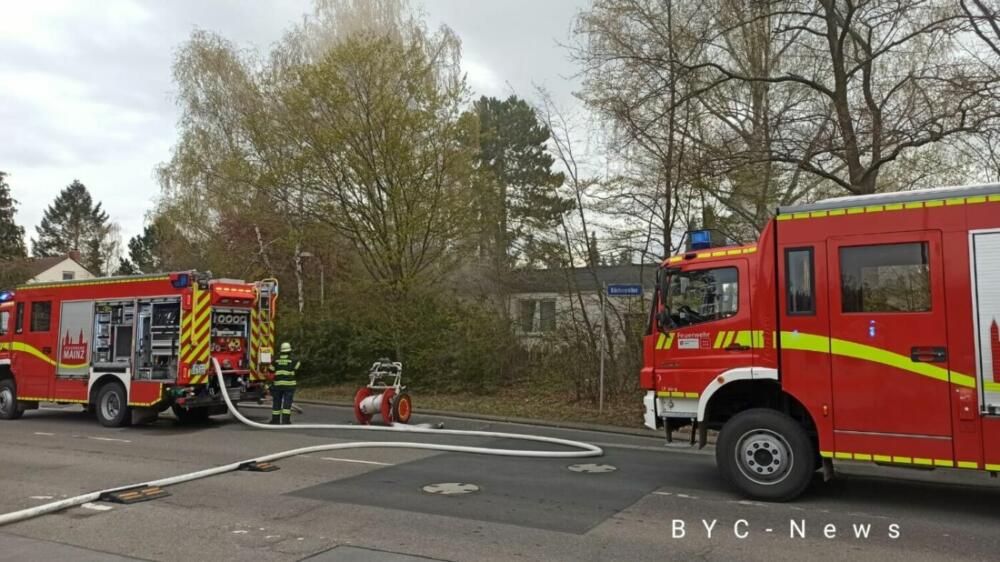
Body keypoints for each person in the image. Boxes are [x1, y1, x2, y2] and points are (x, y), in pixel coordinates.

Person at [270, 342, 299, 425]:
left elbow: (271, 370)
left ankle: (275, 421)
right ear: (289, 350)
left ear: (281, 350)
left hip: (278, 385)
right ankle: (286, 421)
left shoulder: (275, 360)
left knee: (276, 403)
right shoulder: (294, 360)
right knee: (287, 403)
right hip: (289, 385)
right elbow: (297, 368)